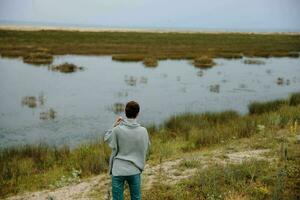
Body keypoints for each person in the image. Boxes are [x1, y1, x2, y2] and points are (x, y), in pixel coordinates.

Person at [104, 101, 150, 200]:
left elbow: (106, 138)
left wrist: (115, 124)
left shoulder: (117, 130)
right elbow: (147, 148)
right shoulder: (143, 131)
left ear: (125, 113)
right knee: (136, 198)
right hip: (135, 169)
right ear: (138, 113)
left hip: (118, 170)